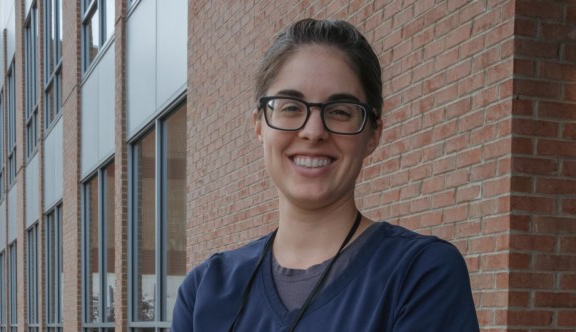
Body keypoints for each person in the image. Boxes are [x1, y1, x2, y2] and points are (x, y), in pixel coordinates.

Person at [171, 18, 479, 331]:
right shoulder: (204, 290)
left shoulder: (419, 274)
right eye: (290, 107)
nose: (313, 131)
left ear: (373, 133)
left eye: (340, 111)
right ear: (259, 125)